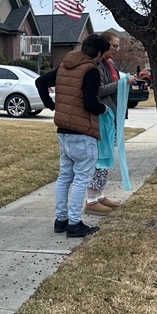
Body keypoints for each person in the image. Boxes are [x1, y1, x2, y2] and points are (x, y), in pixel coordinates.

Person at [35, 33, 112, 238]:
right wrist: (103, 110)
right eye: (103, 55)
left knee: (64, 177)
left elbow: (40, 82)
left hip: (63, 132)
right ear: (97, 53)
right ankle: (75, 224)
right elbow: (90, 103)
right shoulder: (91, 70)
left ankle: (61, 220)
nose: (102, 59)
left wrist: (51, 105)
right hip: (83, 133)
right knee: (81, 179)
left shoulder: (64, 66)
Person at [85, 30, 132, 215]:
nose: (116, 49)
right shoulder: (96, 65)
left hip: (111, 115)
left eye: (118, 46)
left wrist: (124, 82)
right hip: (101, 117)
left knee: (107, 156)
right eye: (114, 46)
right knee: (99, 156)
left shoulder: (110, 63)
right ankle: (90, 199)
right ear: (103, 45)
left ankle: (99, 195)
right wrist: (122, 83)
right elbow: (99, 90)